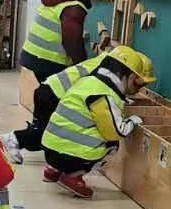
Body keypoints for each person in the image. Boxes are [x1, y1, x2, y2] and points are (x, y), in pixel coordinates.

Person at [2, 0, 109, 161]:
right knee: (58, 111)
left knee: (49, 106)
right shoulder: (74, 6)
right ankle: (18, 139)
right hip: (50, 61)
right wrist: (83, 67)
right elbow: (72, 41)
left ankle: (30, 137)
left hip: (34, 55)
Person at [40, 45, 156, 199]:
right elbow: (116, 132)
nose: (137, 90)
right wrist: (134, 121)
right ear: (125, 75)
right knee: (112, 145)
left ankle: (53, 170)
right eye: (137, 83)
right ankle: (73, 176)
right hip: (68, 157)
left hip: (49, 149)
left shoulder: (88, 82)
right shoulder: (104, 95)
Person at [8, 49, 110, 180]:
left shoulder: (102, 61)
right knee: (50, 135)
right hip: (53, 95)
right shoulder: (105, 70)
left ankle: (52, 168)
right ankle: (13, 138)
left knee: (52, 134)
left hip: (49, 89)